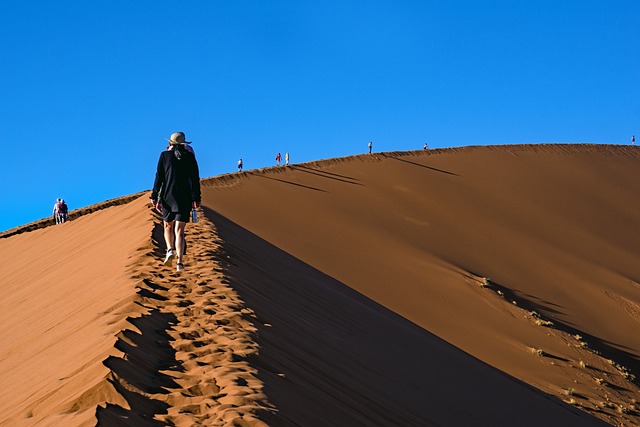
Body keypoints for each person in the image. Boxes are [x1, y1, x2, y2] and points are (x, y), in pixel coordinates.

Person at [151, 132, 201, 272]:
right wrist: (196, 198)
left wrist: (154, 196)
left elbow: (159, 177)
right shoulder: (189, 157)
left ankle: (169, 250)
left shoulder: (164, 156)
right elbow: (194, 179)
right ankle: (180, 263)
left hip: (168, 196)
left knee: (168, 226)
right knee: (180, 231)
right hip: (184, 197)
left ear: (170, 143)